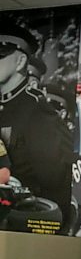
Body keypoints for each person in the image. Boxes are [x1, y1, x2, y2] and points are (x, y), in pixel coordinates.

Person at [0, 22, 73, 231]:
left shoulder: (36, 109)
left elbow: (53, 182)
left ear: (20, 61)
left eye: (0, 55)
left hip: (21, 219)